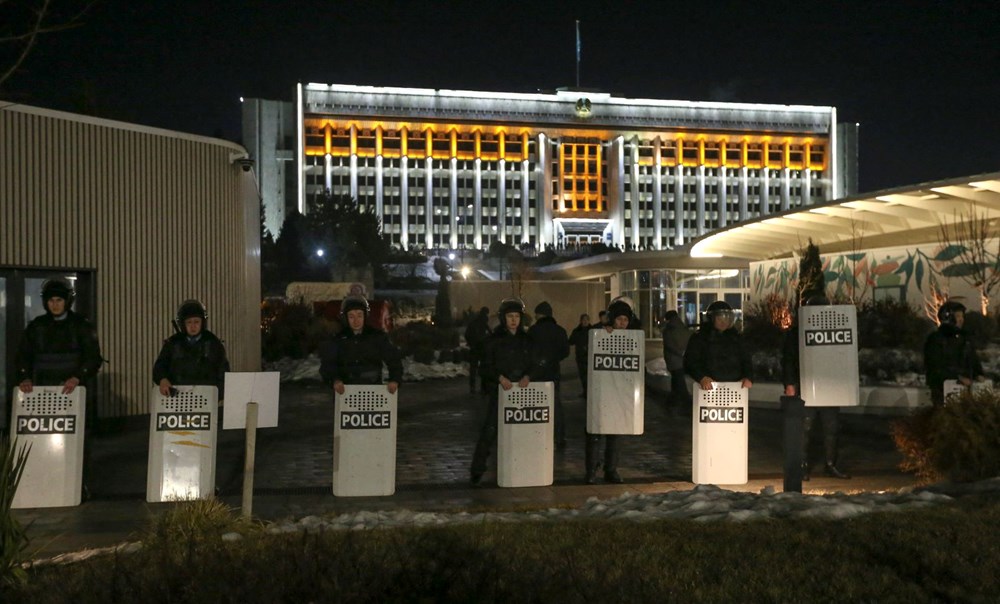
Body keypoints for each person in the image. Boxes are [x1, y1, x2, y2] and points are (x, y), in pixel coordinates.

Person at [15, 277, 103, 497]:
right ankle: (42, 485)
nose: (55, 305)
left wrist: (77, 377)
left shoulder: (81, 326)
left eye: (59, 300)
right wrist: (24, 378)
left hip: (73, 393)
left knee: (76, 440)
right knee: (41, 439)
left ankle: (78, 485)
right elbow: (23, 356)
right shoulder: (36, 327)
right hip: (41, 393)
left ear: (67, 302)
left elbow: (93, 357)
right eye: (51, 300)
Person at [781, 296, 850, 480]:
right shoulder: (796, 333)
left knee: (831, 427)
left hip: (828, 386)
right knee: (805, 428)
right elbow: (788, 360)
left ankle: (830, 464)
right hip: (806, 385)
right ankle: (802, 466)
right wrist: (790, 383)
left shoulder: (834, 329)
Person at [470, 298, 535, 485]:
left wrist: (528, 376)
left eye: (517, 316)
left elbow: (536, 362)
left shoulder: (527, 340)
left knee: (523, 431)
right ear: (503, 318)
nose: (513, 320)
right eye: (510, 316)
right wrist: (499, 378)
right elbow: (485, 366)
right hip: (499, 392)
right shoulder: (493, 340)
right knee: (490, 430)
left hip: (522, 393)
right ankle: (477, 469)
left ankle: (525, 467)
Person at [584, 296, 641, 484]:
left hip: (619, 393)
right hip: (601, 392)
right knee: (595, 432)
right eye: (619, 319)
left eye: (625, 320)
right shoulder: (600, 334)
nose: (622, 323)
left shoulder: (633, 338)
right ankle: (591, 471)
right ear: (612, 320)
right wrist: (602, 332)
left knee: (615, 431)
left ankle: (611, 469)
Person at [319, 294, 402, 396]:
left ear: (365, 316)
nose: (356, 321)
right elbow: (327, 364)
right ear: (345, 318)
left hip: (373, 389)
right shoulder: (338, 340)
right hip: (345, 391)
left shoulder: (377, 337)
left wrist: (394, 379)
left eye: (359, 315)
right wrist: (334, 380)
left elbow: (394, 359)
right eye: (351, 316)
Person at [153, 300, 230, 397]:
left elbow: (223, 372)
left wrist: (218, 395)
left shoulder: (213, 343)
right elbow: (160, 366)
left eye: (196, 322)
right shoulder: (172, 343)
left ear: (203, 322)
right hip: (176, 398)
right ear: (182, 324)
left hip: (207, 397)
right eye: (189, 322)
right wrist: (162, 379)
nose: (193, 326)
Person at [924, 300, 985, 407]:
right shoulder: (936, 339)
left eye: (962, 316)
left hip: (965, 389)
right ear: (948, 318)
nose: (961, 319)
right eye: (957, 316)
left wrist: (978, 374)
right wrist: (957, 377)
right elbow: (934, 366)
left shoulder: (965, 339)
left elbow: (973, 360)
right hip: (942, 389)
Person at [684, 300, 753, 393]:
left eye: (727, 317)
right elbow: (690, 361)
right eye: (719, 318)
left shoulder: (737, 338)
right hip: (708, 387)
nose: (723, 321)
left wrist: (748, 377)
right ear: (711, 318)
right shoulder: (700, 338)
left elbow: (746, 360)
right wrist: (701, 377)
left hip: (735, 387)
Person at [529, 301, 570, 450]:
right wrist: (553, 358)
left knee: (536, 405)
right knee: (555, 405)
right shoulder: (560, 331)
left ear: (539, 315)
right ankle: (559, 436)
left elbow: (528, 351)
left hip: (536, 373)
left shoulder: (533, 331)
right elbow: (565, 351)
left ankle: (538, 435)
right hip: (553, 371)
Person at [661, 310, 692, 407]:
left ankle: (684, 404)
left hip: (674, 361)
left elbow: (670, 345)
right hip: (683, 360)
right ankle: (673, 401)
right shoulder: (683, 327)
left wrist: (680, 353)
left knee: (678, 382)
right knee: (676, 381)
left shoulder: (668, 330)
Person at [464, 306, 492, 394]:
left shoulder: (474, 322)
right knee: (484, 368)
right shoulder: (483, 322)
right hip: (482, 348)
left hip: (475, 348)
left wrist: (471, 343)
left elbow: (467, 334)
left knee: (473, 368)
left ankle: (473, 387)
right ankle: (484, 387)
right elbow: (490, 334)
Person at [569, 314, 591, 397]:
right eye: (583, 320)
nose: (585, 321)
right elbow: (571, 341)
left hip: (589, 356)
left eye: (586, 320)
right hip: (580, 356)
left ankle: (588, 392)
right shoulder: (577, 331)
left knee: (589, 376)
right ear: (581, 321)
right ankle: (585, 391)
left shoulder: (592, 330)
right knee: (582, 375)